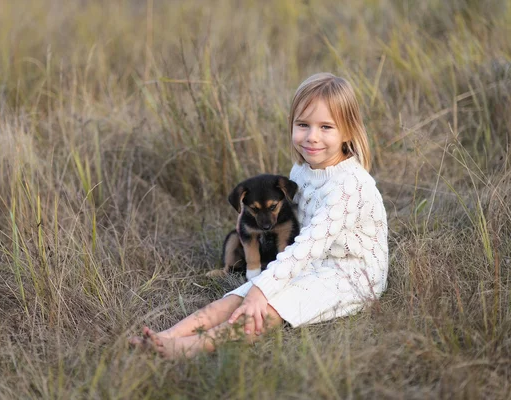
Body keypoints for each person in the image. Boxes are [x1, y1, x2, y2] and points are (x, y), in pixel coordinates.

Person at [129, 72, 389, 358]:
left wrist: (261, 290)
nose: (312, 137)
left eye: (326, 127)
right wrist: (257, 283)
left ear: (348, 132)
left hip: (350, 273)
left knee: (264, 309)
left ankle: (185, 349)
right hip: (309, 261)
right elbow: (294, 229)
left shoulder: (349, 185)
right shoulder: (301, 171)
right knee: (233, 299)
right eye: (303, 125)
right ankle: (165, 336)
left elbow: (309, 244)